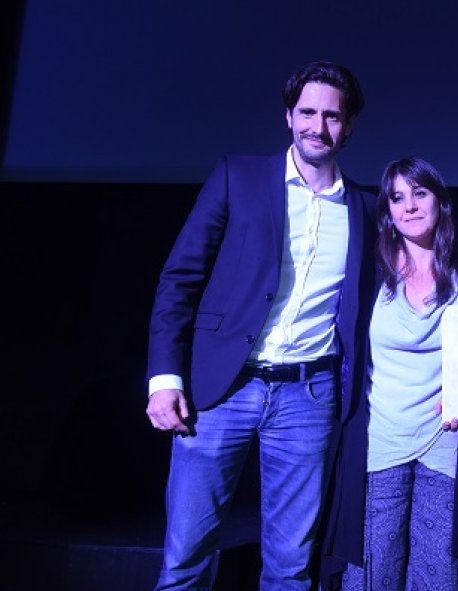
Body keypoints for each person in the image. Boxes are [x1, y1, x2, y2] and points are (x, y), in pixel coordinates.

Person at [144, 61, 377, 590]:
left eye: (333, 116)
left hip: (308, 395)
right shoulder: (239, 175)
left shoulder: (365, 207)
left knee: (292, 565)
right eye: (308, 112)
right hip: (222, 388)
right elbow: (180, 278)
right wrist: (165, 378)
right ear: (288, 116)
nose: (319, 127)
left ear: (350, 125)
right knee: (186, 556)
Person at [338, 156, 458, 590]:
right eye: (397, 198)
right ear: (387, 212)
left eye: (419, 193)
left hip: (444, 441)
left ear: (440, 202)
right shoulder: (368, 278)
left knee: (438, 575)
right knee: (372, 571)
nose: (409, 206)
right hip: (381, 441)